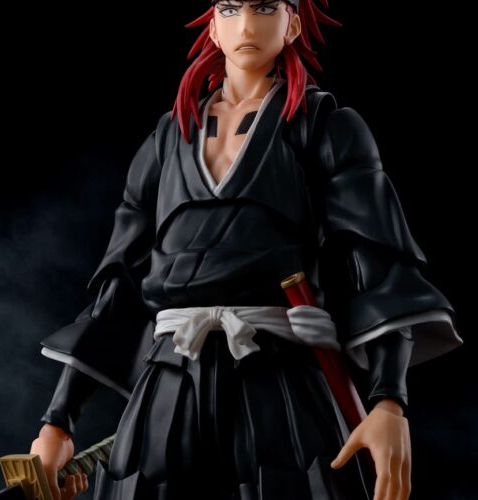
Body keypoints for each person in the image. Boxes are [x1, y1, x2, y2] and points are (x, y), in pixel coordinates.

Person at [30, 1, 464, 499]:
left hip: (279, 380)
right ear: (213, 28)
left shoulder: (324, 126)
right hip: (169, 384)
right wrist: (57, 423)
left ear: (292, 24)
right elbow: (117, 289)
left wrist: (388, 402)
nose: (247, 25)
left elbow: (379, 266)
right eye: (231, 9)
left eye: (265, 7)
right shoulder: (168, 138)